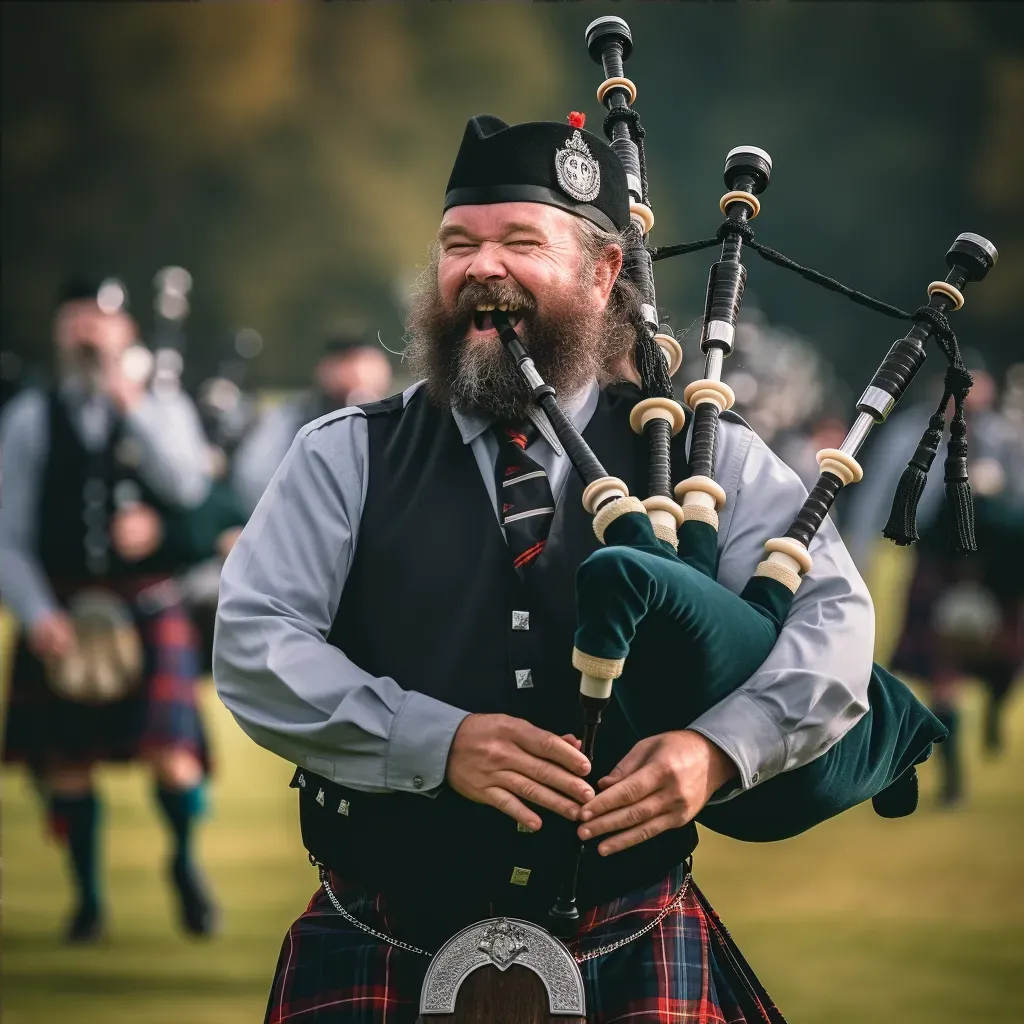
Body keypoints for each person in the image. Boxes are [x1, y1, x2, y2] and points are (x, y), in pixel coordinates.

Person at [214, 116, 874, 1022]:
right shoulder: (345, 456)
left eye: (521, 241)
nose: (480, 268)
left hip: (627, 934)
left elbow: (834, 622)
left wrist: (721, 751)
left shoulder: (695, 458)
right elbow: (254, 642)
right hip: (380, 931)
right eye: (457, 245)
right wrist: (433, 740)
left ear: (604, 276)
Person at [0, 276, 219, 942]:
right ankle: (88, 902)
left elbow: (187, 484)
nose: (88, 333)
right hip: (64, 609)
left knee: (173, 754)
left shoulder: (159, 404)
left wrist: (133, 406)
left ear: (127, 334)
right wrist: (37, 614)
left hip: (147, 606)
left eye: (100, 321)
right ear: (61, 333)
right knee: (67, 764)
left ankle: (185, 865)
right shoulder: (32, 416)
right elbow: (7, 533)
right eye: (75, 322)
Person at [844, 359, 1023, 803]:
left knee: (1008, 657)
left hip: (999, 570)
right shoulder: (909, 435)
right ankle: (954, 779)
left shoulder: (1003, 437)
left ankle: (997, 706)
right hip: (938, 563)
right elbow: (874, 493)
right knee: (943, 673)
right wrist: (857, 557)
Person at [232, 333, 393, 513]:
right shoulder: (292, 417)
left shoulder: (394, 421)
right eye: (345, 362)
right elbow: (255, 475)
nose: (354, 373)